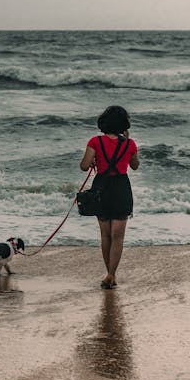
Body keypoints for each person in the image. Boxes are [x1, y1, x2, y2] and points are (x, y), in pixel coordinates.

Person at [80, 105, 139, 289]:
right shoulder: (130, 144)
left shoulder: (95, 142)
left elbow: (84, 166)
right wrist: (128, 143)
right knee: (118, 237)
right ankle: (111, 274)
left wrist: (95, 161)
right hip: (121, 187)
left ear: (103, 122)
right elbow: (135, 165)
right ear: (124, 125)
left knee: (105, 235)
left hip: (101, 187)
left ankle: (109, 274)